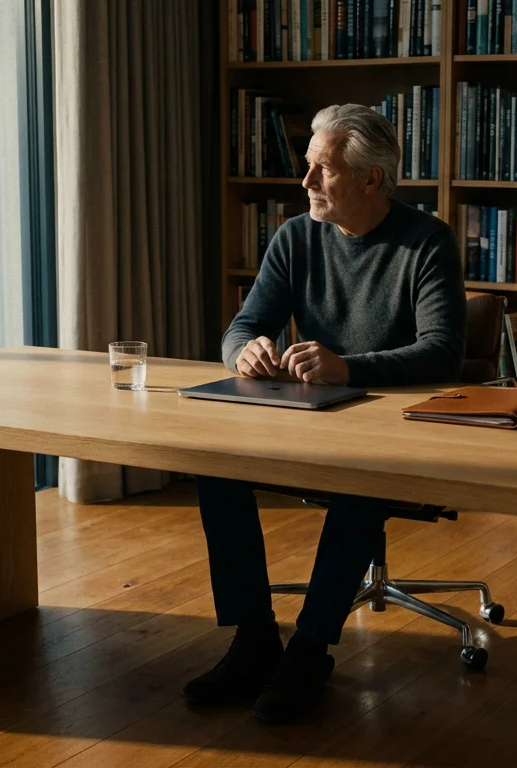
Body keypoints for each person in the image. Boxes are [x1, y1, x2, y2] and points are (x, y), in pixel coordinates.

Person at [183, 104, 467, 723]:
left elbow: (443, 352)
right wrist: (244, 351)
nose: (306, 181)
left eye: (323, 169)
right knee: (215, 465)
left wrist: (349, 367)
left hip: (395, 435)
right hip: (309, 422)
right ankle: (255, 640)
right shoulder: (295, 237)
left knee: (360, 481)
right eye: (308, 165)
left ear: (370, 180)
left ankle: (309, 653)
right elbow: (242, 327)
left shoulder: (427, 242)